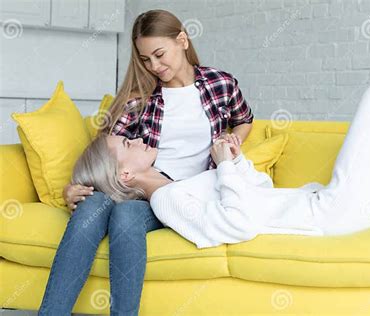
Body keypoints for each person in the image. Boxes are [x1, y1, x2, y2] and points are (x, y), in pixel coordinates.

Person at [72, 81, 370, 250]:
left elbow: (258, 195)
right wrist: (225, 169)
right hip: (330, 213)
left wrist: (237, 161)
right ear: (126, 174)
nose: (138, 137)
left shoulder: (182, 183)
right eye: (127, 143)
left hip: (328, 204)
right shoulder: (165, 201)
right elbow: (240, 226)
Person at [39, 9, 254, 315]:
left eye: (159, 54)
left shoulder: (220, 83)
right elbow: (109, 155)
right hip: (145, 191)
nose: (154, 66)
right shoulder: (140, 97)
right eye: (145, 59)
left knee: (125, 215)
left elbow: (243, 120)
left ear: (182, 40)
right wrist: (73, 189)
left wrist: (235, 141)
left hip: (190, 192)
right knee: (96, 207)